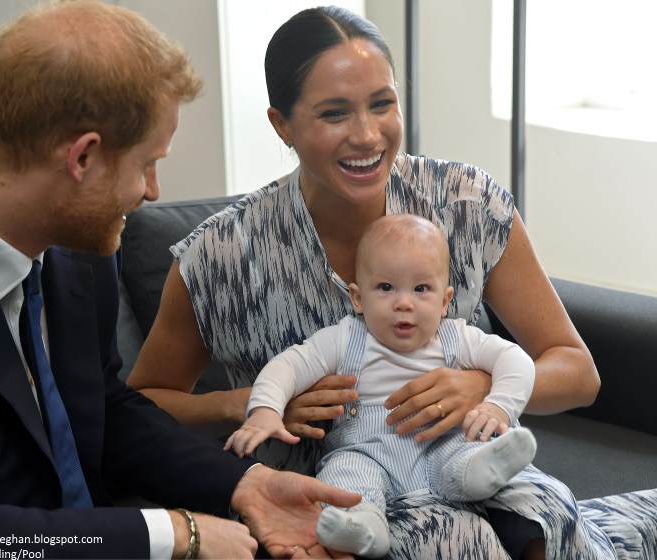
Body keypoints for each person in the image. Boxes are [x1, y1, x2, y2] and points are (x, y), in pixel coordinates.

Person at [128, 5, 657, 559]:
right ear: (282, 124)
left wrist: (481, 388)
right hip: (326, 509)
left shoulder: (466, 204)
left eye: (382, 103)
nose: (366, 135)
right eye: (334, 113)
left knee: (549, 509)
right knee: (455, 537)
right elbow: (139, 405)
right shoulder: (220, 255)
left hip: (465, 468)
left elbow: (577, 371)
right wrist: (243, 404)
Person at [0, 2, 363, 559]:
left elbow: (106, 410)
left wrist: (246, 484)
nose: (153, 192)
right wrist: (176, 534)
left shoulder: (79, 252)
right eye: (147, 164)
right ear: (83, 158)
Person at [225, 214, 539, 558]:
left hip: (440, 443)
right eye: (386, 287)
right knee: (344, 475)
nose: (403, 302)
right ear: (358, 298)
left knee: (466, 450)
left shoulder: (457, 337)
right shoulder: (345, 339)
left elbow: (515, 358)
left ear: (444, 301)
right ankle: (363, 525)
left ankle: (479, 474)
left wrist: (498, 405)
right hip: (366, 452)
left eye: (421, 289)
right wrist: (265, 410)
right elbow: (288, 365)